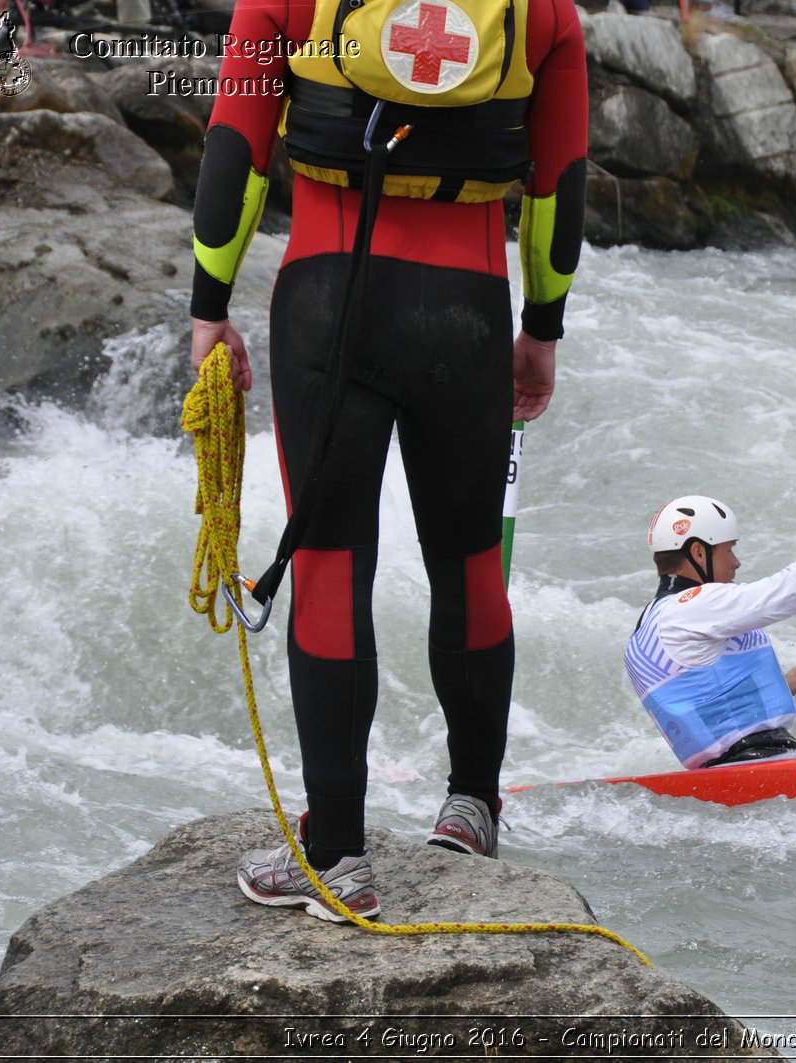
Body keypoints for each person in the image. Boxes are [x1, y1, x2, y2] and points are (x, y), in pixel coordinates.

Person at [189, 0, 587, 922]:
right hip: (470, 308)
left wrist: (211, 306)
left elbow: (236, 151)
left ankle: (336, 854)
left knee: (330, 570)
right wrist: (542, 328)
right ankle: (472, 807)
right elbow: (562, 180)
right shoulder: (543, 15)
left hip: (330, 300)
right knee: (470, 559)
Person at [624, 491, 796, 769]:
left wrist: (780, 687)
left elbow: (701, 700)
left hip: (722, 774)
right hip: (755, 763)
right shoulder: (689, 608)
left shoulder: (649, 626)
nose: (736, 563)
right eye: (729, 549)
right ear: (698, 552)